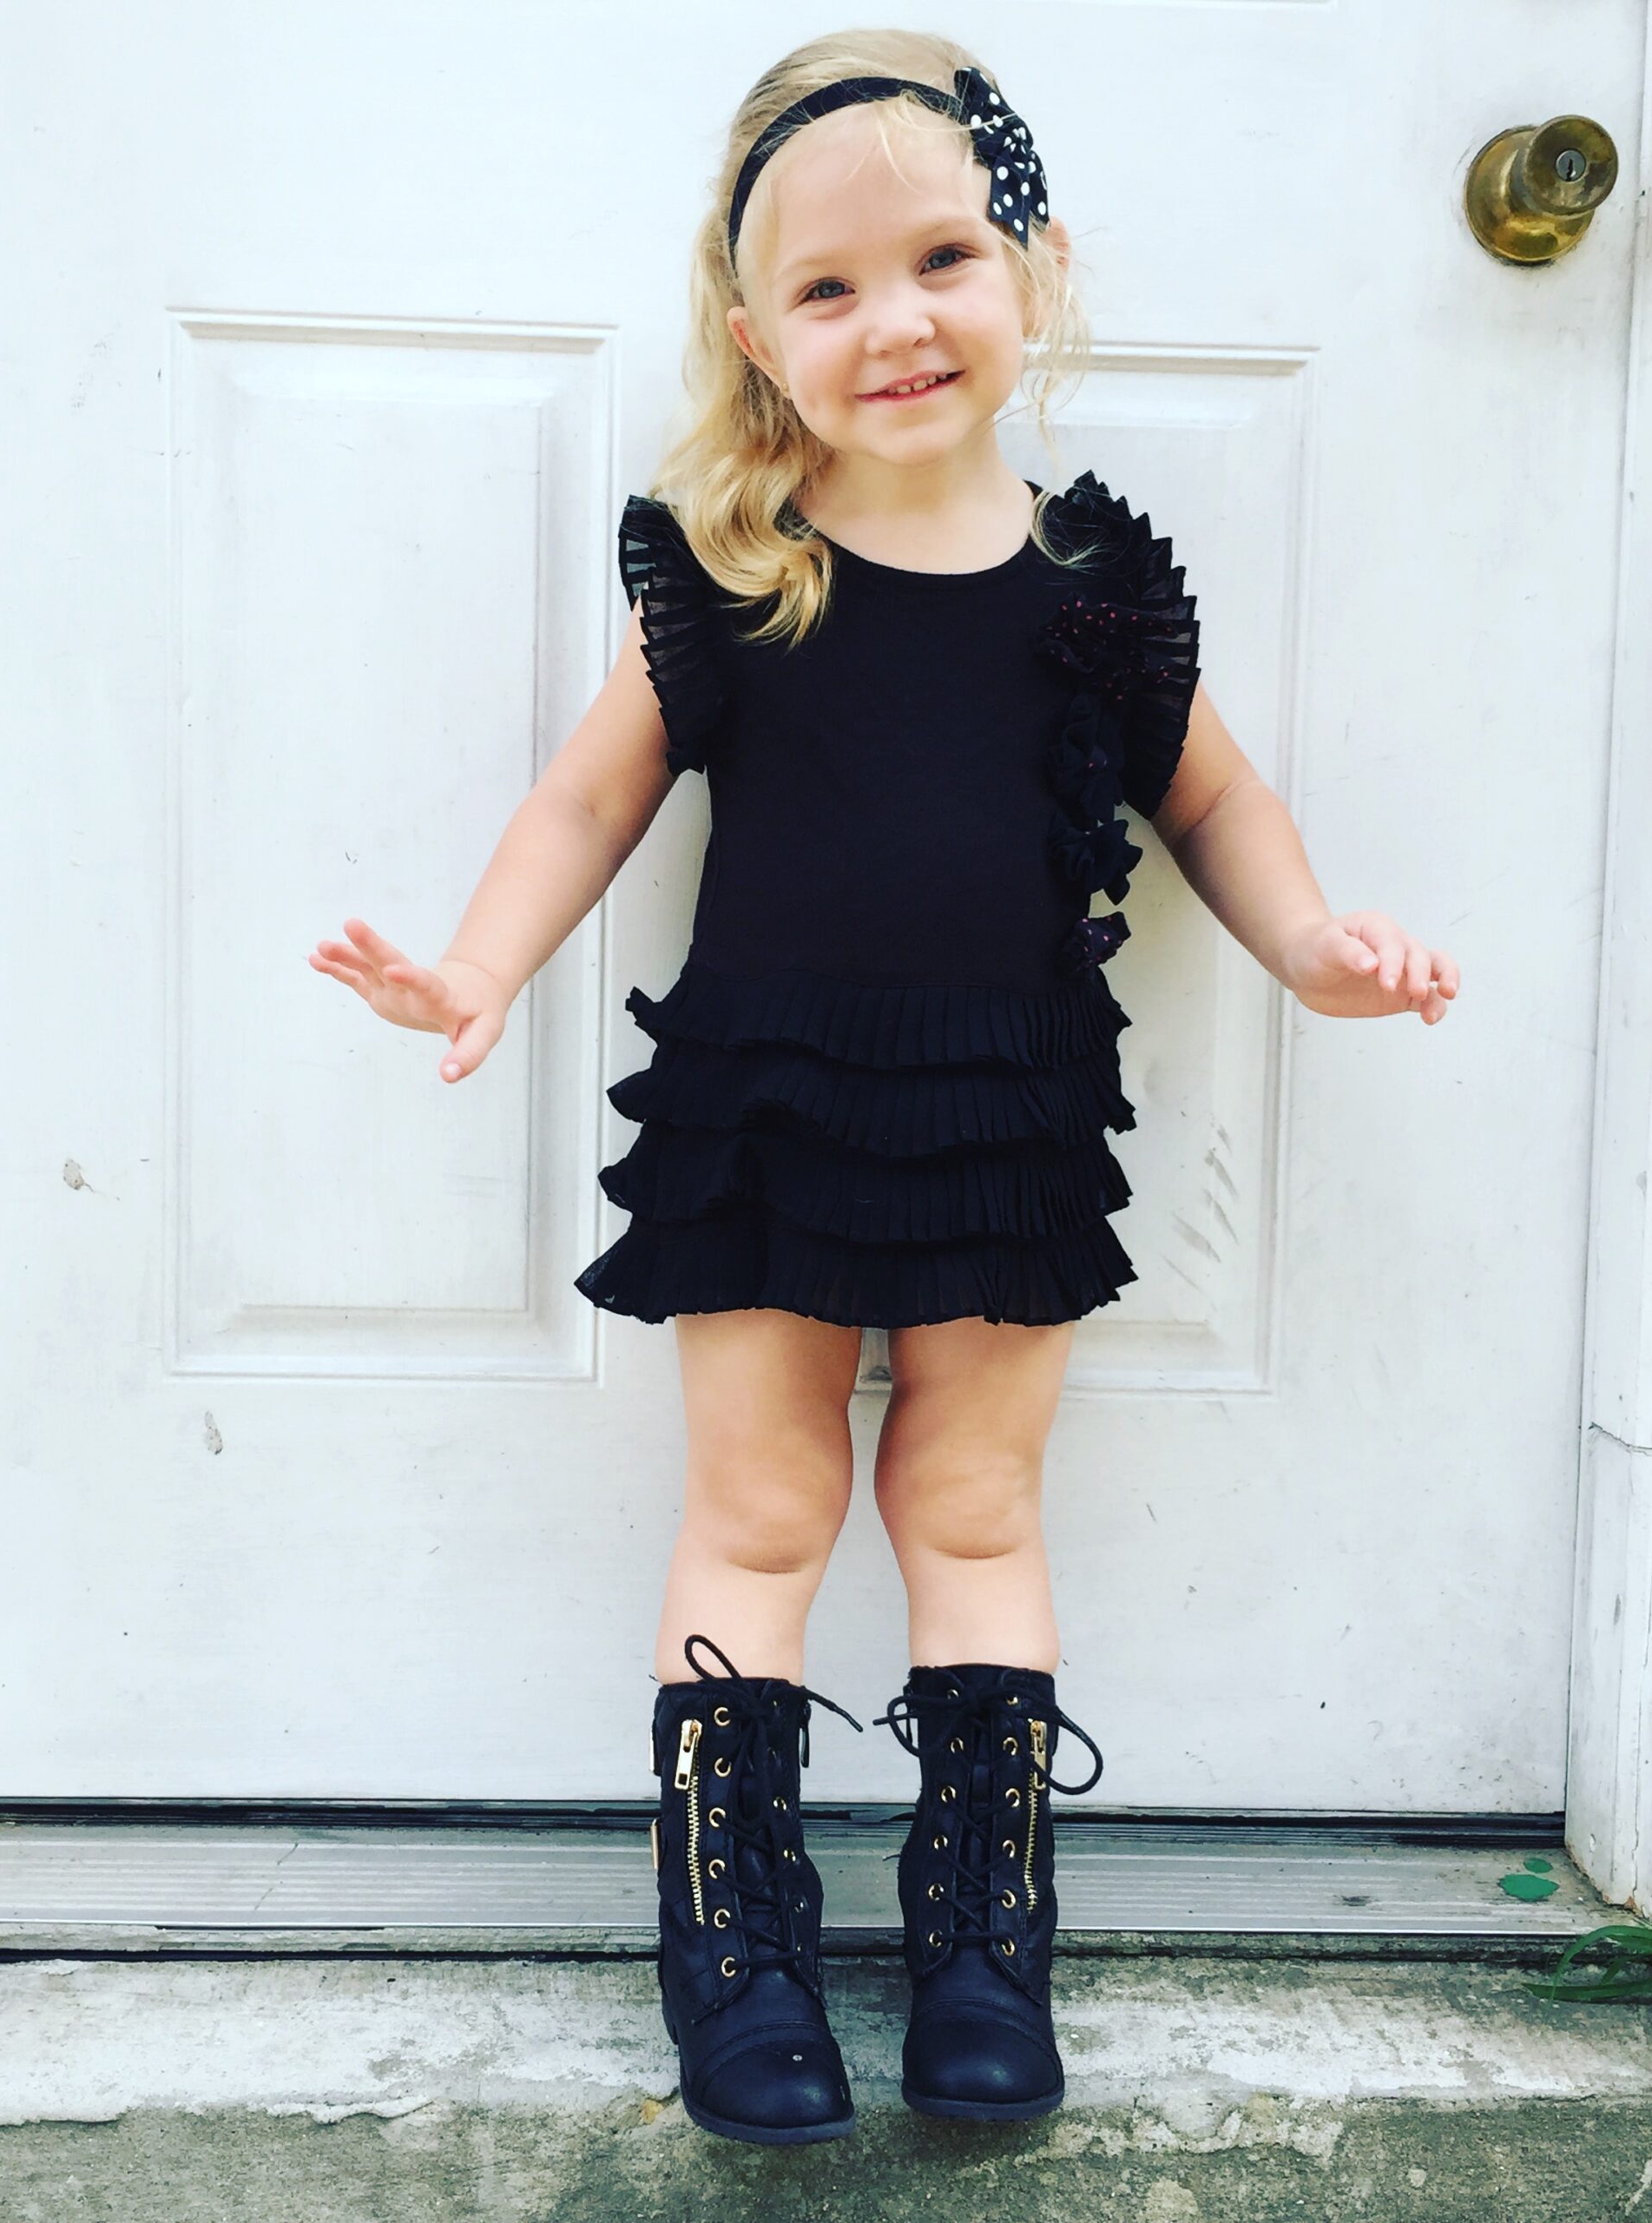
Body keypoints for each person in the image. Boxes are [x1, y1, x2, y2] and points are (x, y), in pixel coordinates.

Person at [308, 28, 1459, 2148]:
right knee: (761, 1507)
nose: (895, 321)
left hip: (1007, 1100)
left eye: (939, 259)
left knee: (971, 1500)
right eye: (826, 289)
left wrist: (1311, 943)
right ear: (756, 338)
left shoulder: (1099, 589)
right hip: (763, 1095)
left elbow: (1219, 805)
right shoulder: (732, 567)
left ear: (1031, 267)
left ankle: (979, 1941)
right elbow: (585, 800)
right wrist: (473, 965)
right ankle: (734, 1948)